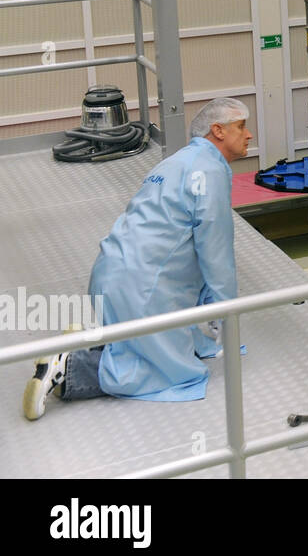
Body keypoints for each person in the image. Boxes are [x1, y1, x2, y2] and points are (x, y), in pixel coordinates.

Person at [22, 98, 252, 420]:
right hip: (143, 288)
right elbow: (216, 252)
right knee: (172, 372)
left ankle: (80, 347)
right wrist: (229, 312)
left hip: (111, 273)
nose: (249, 135)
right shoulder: (210, 171)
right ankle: (69, 369)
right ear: (218, 131)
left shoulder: (178, 162)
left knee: (143, 345)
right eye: (241, 126)